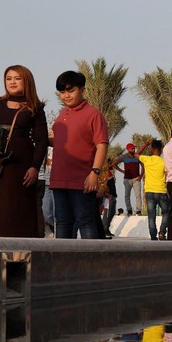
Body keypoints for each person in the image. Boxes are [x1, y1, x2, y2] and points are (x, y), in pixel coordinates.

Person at [0, 65, 49, 238]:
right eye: (9, 78)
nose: (12, 82)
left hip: (22, 164)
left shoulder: (35, 107)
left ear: (26, 80)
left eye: (17, 78)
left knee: (21, 207)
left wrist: (35, 167)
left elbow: (41, 141)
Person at [48, 70, 108, 239]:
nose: (66, 95)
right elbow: (61, 142)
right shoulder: (61, 115)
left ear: (83, 90)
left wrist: (94, 173)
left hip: (82, 180)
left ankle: (91, 262)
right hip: (59, 179)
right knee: (62, 222)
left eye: (70, 90)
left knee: (86, 221)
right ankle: (62, 262)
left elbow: (102, 145)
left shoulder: (93, 114)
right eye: (62, 92)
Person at [135, 138, 170, 240]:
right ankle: (162, 231)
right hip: (161, 190)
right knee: (166, 212)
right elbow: (167, 174)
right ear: (161, 149)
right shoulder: (164, 162)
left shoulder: (147, 159)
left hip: (149, 191)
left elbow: (137, 154)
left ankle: (153, 235)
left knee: (151, 215)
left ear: (151, 149)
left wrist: (146, 143)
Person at [114, 143, 142, 216]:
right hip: (127, 179)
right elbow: (114, 164)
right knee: (127, 195)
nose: (133, 149)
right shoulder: (124, 157)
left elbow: (143, 165)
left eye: (134, 148)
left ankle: (138, 210)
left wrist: (141, 176)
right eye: (132, 148)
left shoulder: (137, 156)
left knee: (138, 195)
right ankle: (129, 210)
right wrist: (122, 171)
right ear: (128, 149)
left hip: (136, 178)